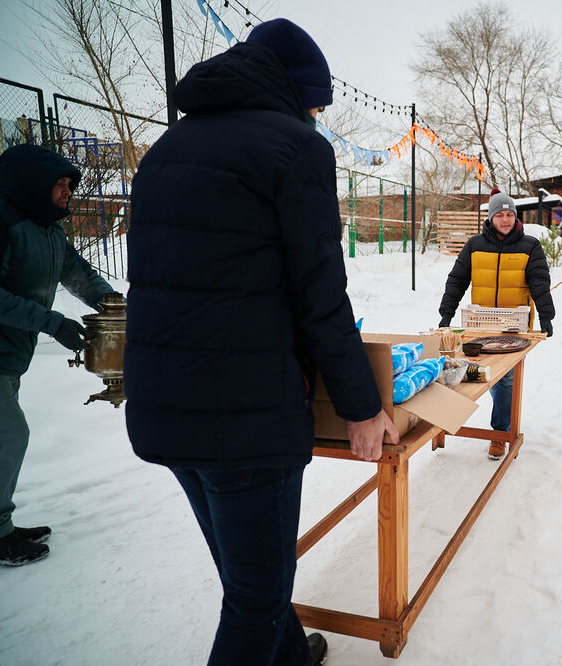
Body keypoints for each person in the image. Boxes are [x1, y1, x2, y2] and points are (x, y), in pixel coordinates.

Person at [124, 18, 397, 666]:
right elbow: (319, 299)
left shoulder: (167, 149)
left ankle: (293, 658)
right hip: (244, 419)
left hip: (164, 410)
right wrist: (361, 407)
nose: (316, 117)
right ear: (293, 92)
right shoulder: (293, 149)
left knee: (253, 586)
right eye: (315, 104)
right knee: (255, 600)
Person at [0, 143, 118, 566]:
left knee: (0, 438)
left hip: (7, 352)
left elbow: (77, 274)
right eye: (59, 184)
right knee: (9, 436)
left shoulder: (47, 229)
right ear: (31, 185)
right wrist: (53, 322)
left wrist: (115, 306)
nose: (67, 192)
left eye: (69, 184)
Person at [438, 188, 555, 460]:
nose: (505, 220)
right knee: (471, 372)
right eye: (499, 215)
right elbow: (457, 280)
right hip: (480, 324)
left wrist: (547, 315)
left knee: (505, 380)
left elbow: (540, 282)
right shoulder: (474, 245)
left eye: (509, 214)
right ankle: (447, 418)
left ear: (516, 217)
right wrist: (446, 312)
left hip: (514, 326)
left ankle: (499, 433)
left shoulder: (530, 246)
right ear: (490, 218)